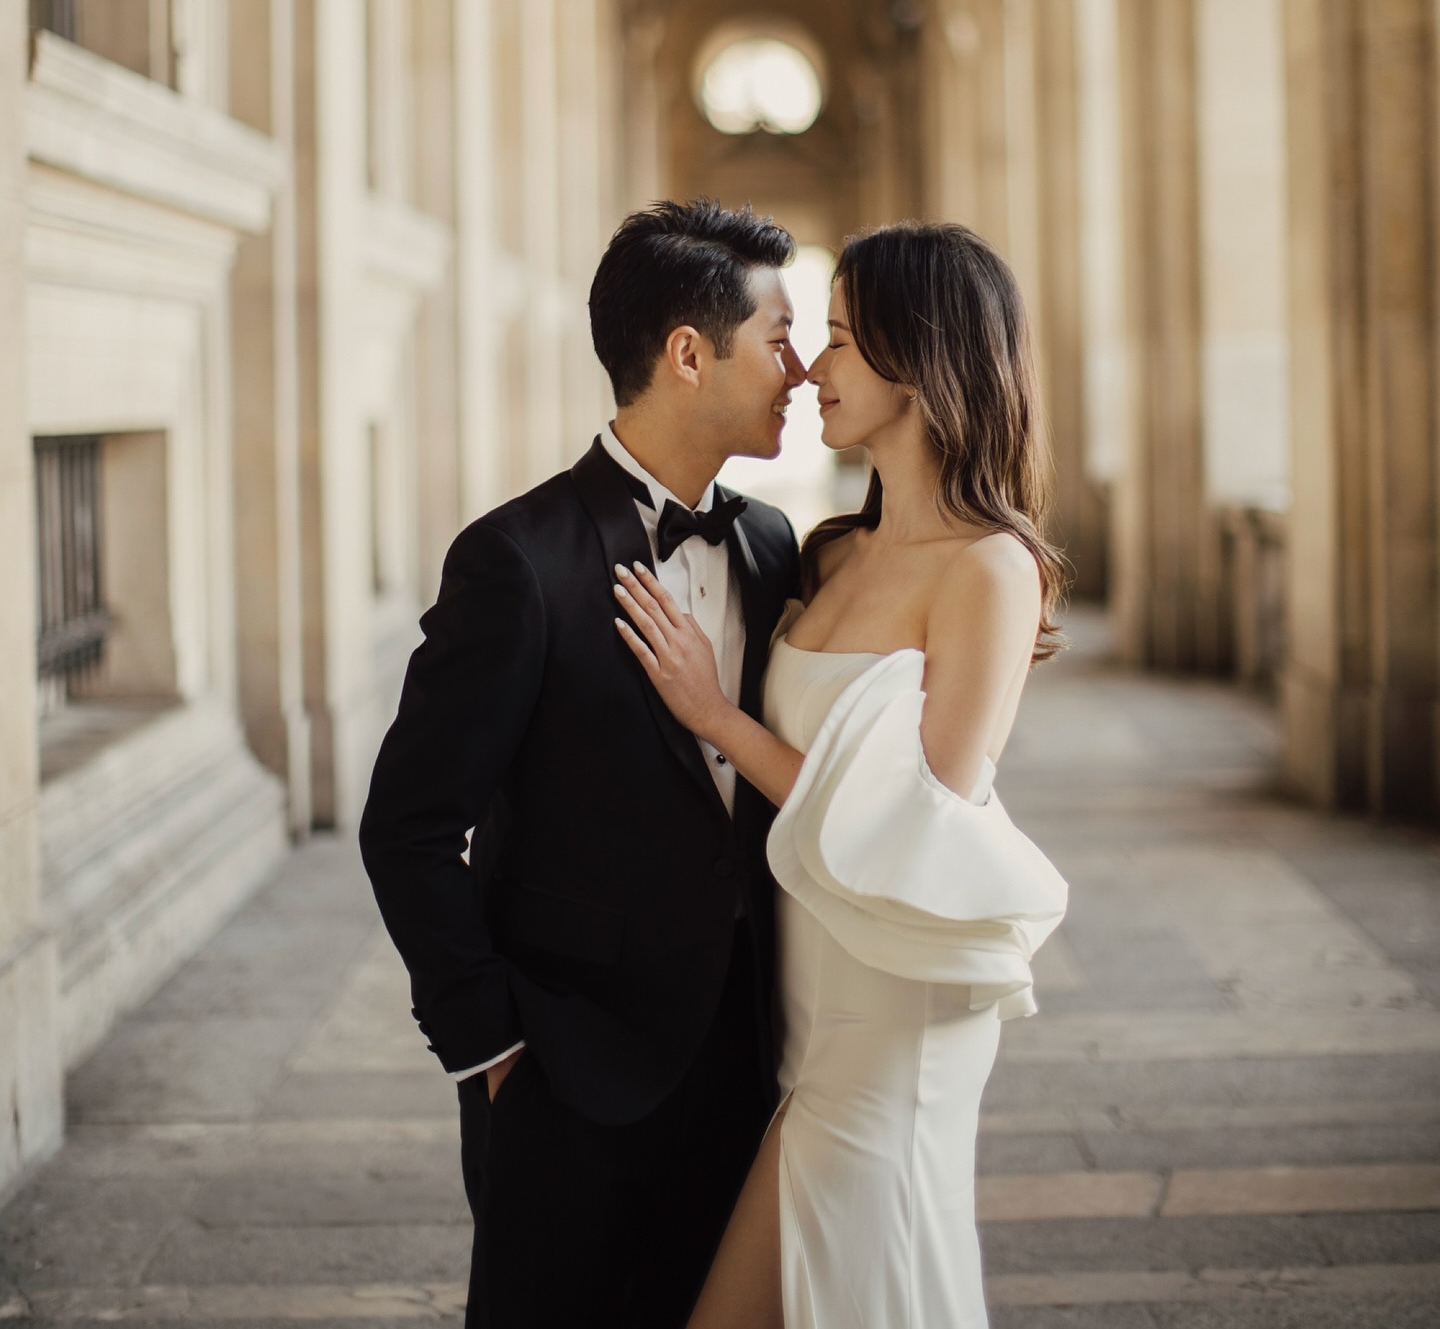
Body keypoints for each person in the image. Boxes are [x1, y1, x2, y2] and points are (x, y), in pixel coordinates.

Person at [358, 200, 808, 1329]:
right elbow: (408, 827)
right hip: (565, 1074)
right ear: (690, 355)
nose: (799, 370)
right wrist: (494, 1048)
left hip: (750, 1062)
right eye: (778, 336)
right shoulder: (516, 561)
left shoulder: (769, 546)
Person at [613, 221, 1070, 1329]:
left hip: (894, 1010)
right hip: (809, 1000)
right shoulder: (822, 554)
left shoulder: (990, 570)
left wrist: (716, 715)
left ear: (923, 359)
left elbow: (922, 812)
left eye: (844, 341)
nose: (812, 367)